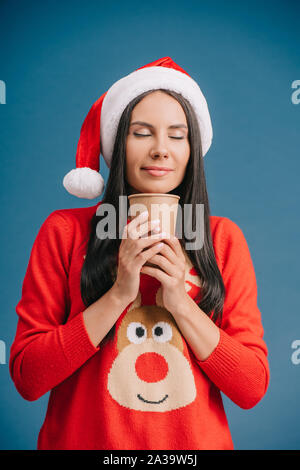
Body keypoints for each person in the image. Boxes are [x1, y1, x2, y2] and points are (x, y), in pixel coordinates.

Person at [9, 56, 270, 450]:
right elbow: (29, 378)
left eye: (177, 135)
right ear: (117, 144)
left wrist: (180, 303)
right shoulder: (64, 232)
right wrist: (117, 295)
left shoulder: (222, 238)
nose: (160, 150)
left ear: (192, 149)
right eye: (142, 132)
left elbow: (251, 388)